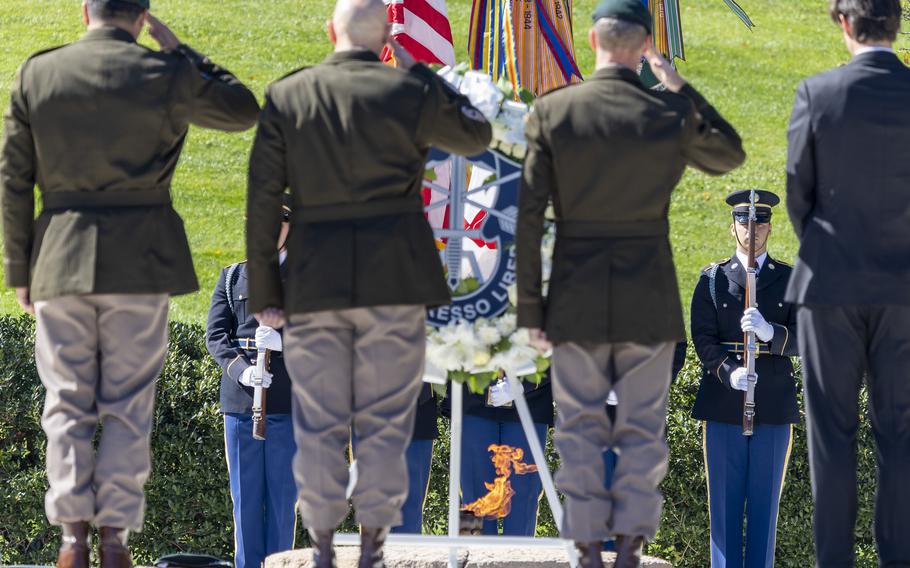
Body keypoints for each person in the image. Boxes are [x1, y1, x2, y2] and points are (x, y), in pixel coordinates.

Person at [0, 1, 259, 566]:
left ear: (83, 10)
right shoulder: (166, 75)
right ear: (142, 15)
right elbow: (242, 109)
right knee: (127, 403)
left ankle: (73, 539)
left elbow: (13, 177)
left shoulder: (40, 72)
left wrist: (20, 268)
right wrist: (178, 49)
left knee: (66, 400)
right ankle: (113, 537)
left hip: (62, 256)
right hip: (140, 259)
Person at [243, 0, 492, 565]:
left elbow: (262, 201)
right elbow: (476, 134)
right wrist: (423, 73)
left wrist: (265, 297)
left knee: (321, 418)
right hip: (394, 283)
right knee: (385, 419)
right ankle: (374, 541)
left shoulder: (291, 94)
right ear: (387, 38)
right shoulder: (409, 92)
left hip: (316, 283)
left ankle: (326, 541)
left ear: (330, 31)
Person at [515, 0, 745, 565]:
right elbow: (727, 152)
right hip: (647, 298)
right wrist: (679, 87)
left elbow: (527, 216)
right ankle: (628, 553)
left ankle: (588, 549)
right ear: (646, 45)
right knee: (641, 435)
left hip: (576, 300)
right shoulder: (665, 114)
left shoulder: (553, 110)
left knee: (581, 432)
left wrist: (529, 311)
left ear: (591, 38)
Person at [785, 1, 910, 565]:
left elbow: (798, 192)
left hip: (830, 282)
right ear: (898, 26)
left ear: (844, 25)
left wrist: (822, 249)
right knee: (901, 440)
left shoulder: (818, 93)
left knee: (831, 440)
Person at [690, 190, 799, 568]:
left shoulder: (789, 279)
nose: (751, 231)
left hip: (772, 402)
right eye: (744, 223)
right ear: (732, 226)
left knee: (765, 508)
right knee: (724, 506)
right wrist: (729, 371)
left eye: (759, 223)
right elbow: (702, 339)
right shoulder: (713, 279)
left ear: (769, 227)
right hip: (723, 403)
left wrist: (773, 333)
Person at [205, 195, 297, 568]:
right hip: (242, 405)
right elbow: (216, 336)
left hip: (287, 405)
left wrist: (286, 341)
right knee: (244, 503)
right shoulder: (232, 277)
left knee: (281, 503)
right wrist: (242, 369)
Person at [452, 375, 554, 536]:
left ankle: (518, 560)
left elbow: (557, 352)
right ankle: (475, 559)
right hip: (473, 398)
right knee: (475, 498)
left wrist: (525, 383)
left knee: (522, 495)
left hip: (530, 400)